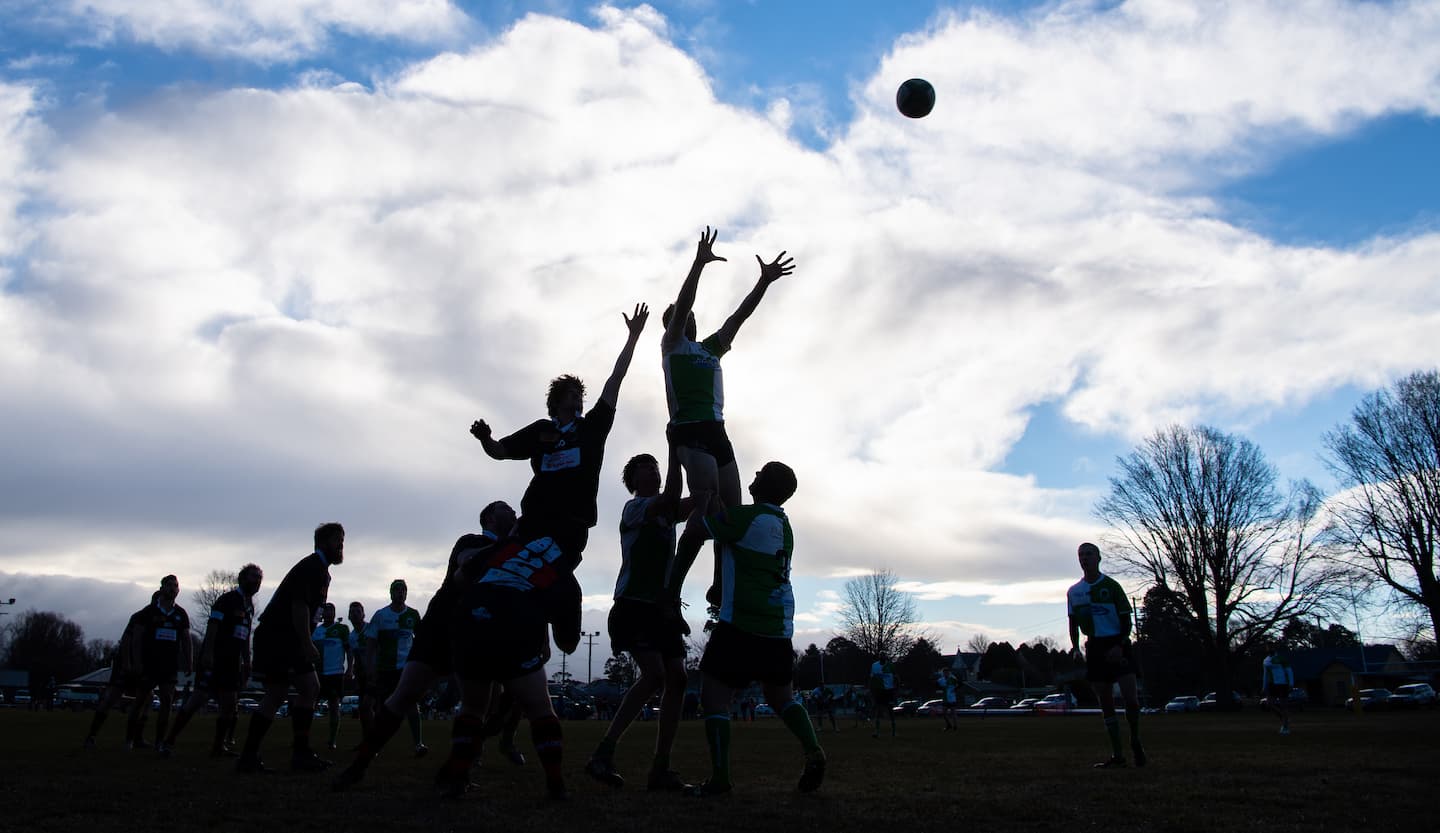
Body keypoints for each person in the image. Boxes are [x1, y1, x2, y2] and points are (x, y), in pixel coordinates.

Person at [455, 304, 649, 801]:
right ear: (558, 401)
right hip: (528, 526)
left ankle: (561, 609)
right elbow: (501, 452)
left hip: (565, 533)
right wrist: (485, 439)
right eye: (573, 397)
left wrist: (632, 339)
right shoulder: (541, 432)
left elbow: (615, 383)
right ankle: (489, 664)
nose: (580, 402)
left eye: (582, 397)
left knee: (542, 592)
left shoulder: (592, 430)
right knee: (489, 583)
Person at [667, 461, 826, 796]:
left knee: (714, 698)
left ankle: (721, 778)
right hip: (779, 624)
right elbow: (736, 537)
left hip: (740, 622)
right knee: (782, 697)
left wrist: (704, 498)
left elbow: (699, 531)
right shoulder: (783, 525)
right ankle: (813, 750)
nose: (751, 478)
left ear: (763, 485)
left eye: (758, 475)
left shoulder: (745, 519)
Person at [335, 500, 517, 792]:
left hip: (470, 628)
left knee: (474, 705)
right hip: (445, 624)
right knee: (407, 695)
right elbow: (467, 564)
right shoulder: (473, 541)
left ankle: (456, 774)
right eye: (507, 509)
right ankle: (360, 765)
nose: (514, 513)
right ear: (491, 518)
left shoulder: (512, 554)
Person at [661, 227, 795, 603]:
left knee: (731, 516)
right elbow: (683, 302)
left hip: (717, 432)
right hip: (690, 432)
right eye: (678, 316)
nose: (686, 318)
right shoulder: (671, 347)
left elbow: (739, 317)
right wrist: (698, 264)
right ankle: (672, 588)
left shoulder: (710, 349)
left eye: (688, 317)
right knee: (704, 507)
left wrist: (763, 282)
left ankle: (720, 584)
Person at [585, 449, 695, 791]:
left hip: (662, 609)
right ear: (632, 481)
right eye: (645, 469)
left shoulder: (668, 513)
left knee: (677, 680)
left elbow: (700, 500)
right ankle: (604, 751)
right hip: (633, 605)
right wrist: (675, 452)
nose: (653, 473)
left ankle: (660, 768)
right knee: (655, 675)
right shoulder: (634, 509)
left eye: (656, 468)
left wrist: (711, 472)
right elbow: (673, 498)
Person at [235, 522, 345, 773]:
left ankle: (252, 756)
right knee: (308, 688)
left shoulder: (320, 570)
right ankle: (298, 753)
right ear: (323, 542)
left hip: (279, 635)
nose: (341, 546)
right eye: (338, 540)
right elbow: (299, 606)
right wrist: (306, 643)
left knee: (279, 693)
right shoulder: (313, 567)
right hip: (282, 637)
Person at [159, 564, 263, 757]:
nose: (256, 581)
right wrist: (207, 654)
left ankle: (218, 747)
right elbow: (213, 626)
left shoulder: (249, 606)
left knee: (230, 704)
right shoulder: (227, 600)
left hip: (232, 663)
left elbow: (245, 635)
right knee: (197, 700)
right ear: (242, 579)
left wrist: (247, 660)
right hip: (216, 659)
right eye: (253, 577)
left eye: (259, 578)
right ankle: (168, 741)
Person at [1067, 542, 1146, 768]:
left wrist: (1120, 645)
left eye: (1089, 554)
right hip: (1094, 647)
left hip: (1116, 643)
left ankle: (1135, 740)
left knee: (1131, 699)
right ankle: (1117, 755)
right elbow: (1073, 622)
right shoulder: (1074, 592)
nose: (1085, 558)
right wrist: (1075, 648)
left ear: (1098, 558)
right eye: (1081, 554)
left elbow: (1126, 620)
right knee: (1106, 702)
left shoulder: (1111, 586)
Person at [127, 575, 193, 750]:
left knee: (166, 701)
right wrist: (137, 662)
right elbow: (136, 639)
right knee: (140, 700)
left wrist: (189, 662)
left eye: (175, 586)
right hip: (149, 664)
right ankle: (130, 740)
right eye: (169, 585)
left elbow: (186, 639)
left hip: (169, 665)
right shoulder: (148, 612)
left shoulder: (180, 614)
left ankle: (159, 742)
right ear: (162, 588)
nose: (172, 588)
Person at [366, 580, 425, 756]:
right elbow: (371, 644)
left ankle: (418, 744)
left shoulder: (413, 615)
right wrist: (370, 667)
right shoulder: (380, 615)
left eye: (403, 590)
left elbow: (420, 641)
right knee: (381, 707)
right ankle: (375, 746)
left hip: (406, 669)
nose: (400, 593)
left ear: (406, 593)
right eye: (397, 590)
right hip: (385, 668)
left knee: (411, 704)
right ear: (391, 593)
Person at [82, 606, 146, 748]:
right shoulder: (139, 617)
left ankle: (135, 738)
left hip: (142, 665)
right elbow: (125, 641)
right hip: (126, 664)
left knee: (146, 699)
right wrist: (127, 663)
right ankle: (92, 735)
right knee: (112, 698)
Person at [312, 603, 350, 750]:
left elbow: (349, 651)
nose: (328, 613)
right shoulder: (316, 631)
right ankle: (302, 737)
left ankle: (332, 740)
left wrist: (350, 669)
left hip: (335, 673)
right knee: (311, 704)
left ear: (334, 613)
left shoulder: (342, 629)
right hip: (318, 674)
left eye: (331, 610)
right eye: (325, 610)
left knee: (334, 706)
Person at [345, 601, 373, 738]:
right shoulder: (351, 636)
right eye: (352, 612)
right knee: (363, 708)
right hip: (362, 675)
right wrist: (351, 670)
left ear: (363, 614)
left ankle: (373, 740)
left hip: (375, 674)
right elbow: (353, 655)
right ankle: (367, 739)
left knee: (368, 706)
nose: (355, 615)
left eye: (358, 612)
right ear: (349, 616)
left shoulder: (370, 630)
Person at [1262, 650, 1295, 735]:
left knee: (1283, 705)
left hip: (1282, 684)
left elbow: (1289, 671)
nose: (1269, 648)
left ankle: (1285, 727)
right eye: (1268, 647)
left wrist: (1291, 683)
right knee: (1269, 704)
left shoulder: (1281, 659)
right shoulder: (1266, 660)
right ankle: (1284, 718)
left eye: (1271, 646)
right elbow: (1265, 674)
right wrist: (1264, 686)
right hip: (1272, 684)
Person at [869, 656, 898, 738]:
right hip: (879, 690)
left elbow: (896, 677)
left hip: (889, 690)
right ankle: (877, 732)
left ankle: (894, 731)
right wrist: (871, 689)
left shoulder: (890, 666)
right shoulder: (874, 665)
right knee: (878, 710)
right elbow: (872, 678)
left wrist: (896, 689)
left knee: (890, 710)